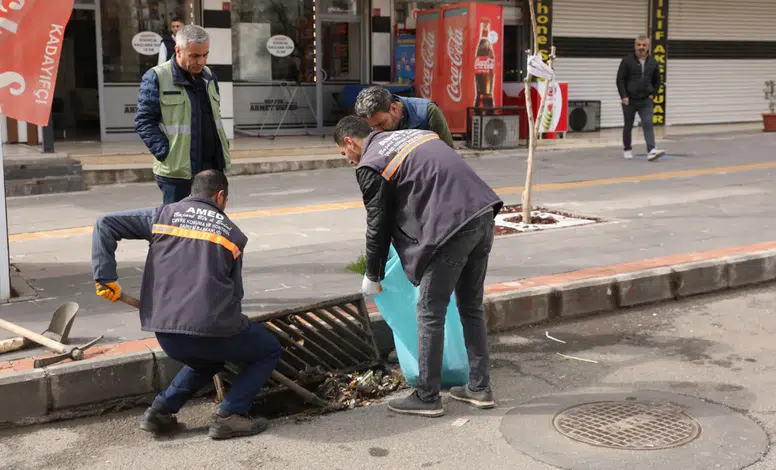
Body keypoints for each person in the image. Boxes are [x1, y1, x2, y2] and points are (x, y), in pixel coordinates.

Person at [91, 170, 281, 440]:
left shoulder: (162, 216)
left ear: (192, 192)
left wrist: (105, 277)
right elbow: (234, 294)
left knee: (206, 362)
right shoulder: (232, 235)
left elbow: (105, 224)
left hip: (165, 331)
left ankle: (160, 411)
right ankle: (231, 414)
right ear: (221, 195)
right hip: (211, 330)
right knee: (267, 349)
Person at [333, 116, 502, 417]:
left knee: (429, 310)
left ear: (349, 141)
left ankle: (427, 396)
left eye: (344, 153)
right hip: (483, 213)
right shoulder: (416, 135)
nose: (348, 160)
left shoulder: (370, 163)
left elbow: (378, 224)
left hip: (452, 230)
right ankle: (479, 388)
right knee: (471, 307)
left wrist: (373, 274)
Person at [136, 24, 231, 205]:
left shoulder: (209, 76)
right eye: (195, 55)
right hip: (178, 172)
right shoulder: (157, 76)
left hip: (212, 167)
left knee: (208, 226)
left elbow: (214, 115)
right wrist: (165, 152)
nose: (201, 61)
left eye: (205, 55)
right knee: (177, 228)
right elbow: (144, 121)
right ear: (178, 50)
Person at [354, 86, 455, 149]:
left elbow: (448, 151)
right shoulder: (375, 124)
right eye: (373, 127)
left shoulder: (427, 111)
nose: (378, 131)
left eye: (381, 123)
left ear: (393, 108)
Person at [617, 35, 666, 161]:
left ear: (648, 47)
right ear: (635, 46)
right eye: (639, 45)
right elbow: (620, 79)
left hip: (645, 100)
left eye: (644, 45)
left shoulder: (653, 62)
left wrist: (653, 94)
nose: (641, 47)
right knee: (628, 125)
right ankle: (627, 149)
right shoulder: (627, 61)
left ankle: (651, 150)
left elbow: (658, 80)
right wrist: (624, 96)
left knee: (648, 123)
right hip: (629, 100)